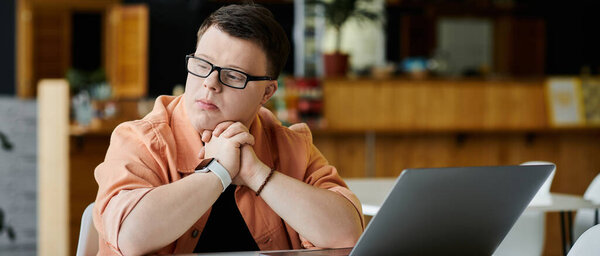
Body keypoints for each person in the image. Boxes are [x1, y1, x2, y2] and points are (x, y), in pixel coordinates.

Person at [93, 4, 364, 256]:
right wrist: (219, 172)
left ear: (266, 92)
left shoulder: (290, 145)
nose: (210, 83)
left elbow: (348, 235)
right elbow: (129, 235)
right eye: (202, 65)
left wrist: (256, 173)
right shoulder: (139, 140)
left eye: (234, 75)